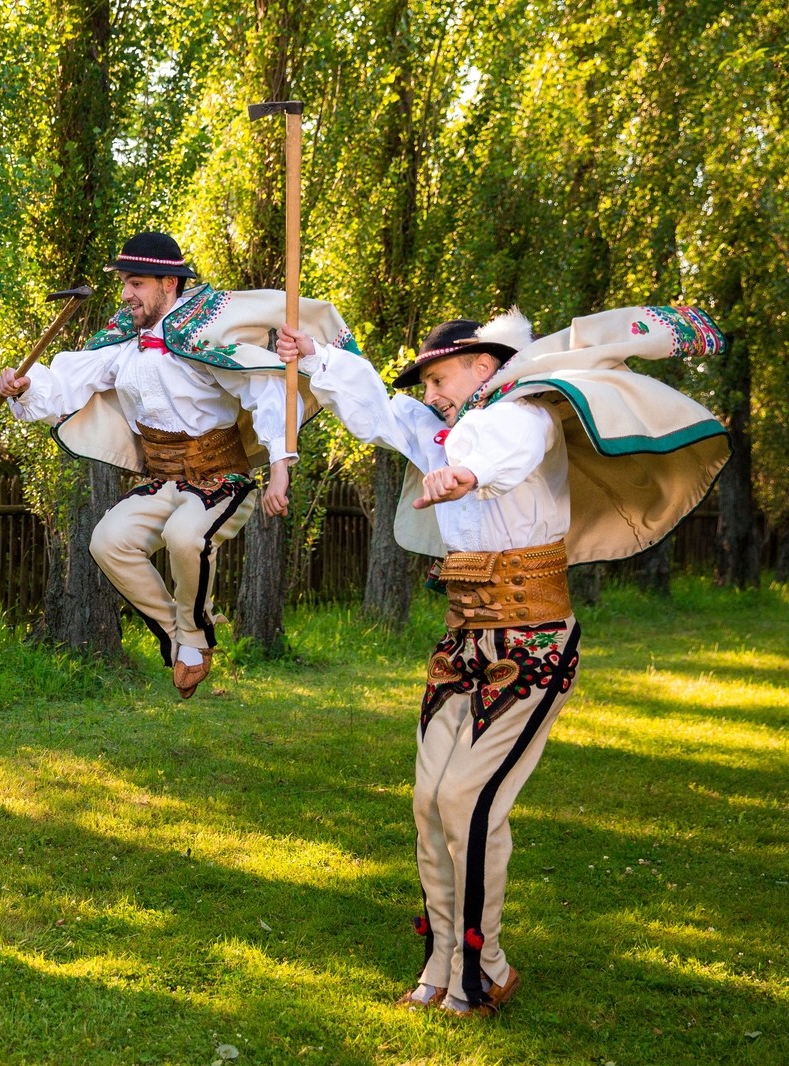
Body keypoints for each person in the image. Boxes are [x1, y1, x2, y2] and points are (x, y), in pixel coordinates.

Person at [277, 304, 730, 1015]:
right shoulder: (442, 429)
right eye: (428, 385)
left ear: (483, 365)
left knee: (469, 799)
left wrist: (464, 476)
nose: (431, 394)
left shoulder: (524, 414)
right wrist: (315, 356)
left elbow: (503, 455)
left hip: (533, 641)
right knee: (430, 801)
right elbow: (381, 412)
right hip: (464, 641)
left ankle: (483, 968)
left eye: (440, 378)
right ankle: (441, 960)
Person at [0, 232, 355, 697]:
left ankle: (197, 635)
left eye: (136, 283)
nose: (126, 294)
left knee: (185, 537)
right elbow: (67, 382)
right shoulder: (124, 341)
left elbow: (266, 390)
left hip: (219, 478)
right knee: (108, 542)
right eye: (125, 283)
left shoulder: (205, 336)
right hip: (161, 478)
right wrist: (25, 387)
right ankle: (177, 636)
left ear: (169, 283)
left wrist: (280, 467)